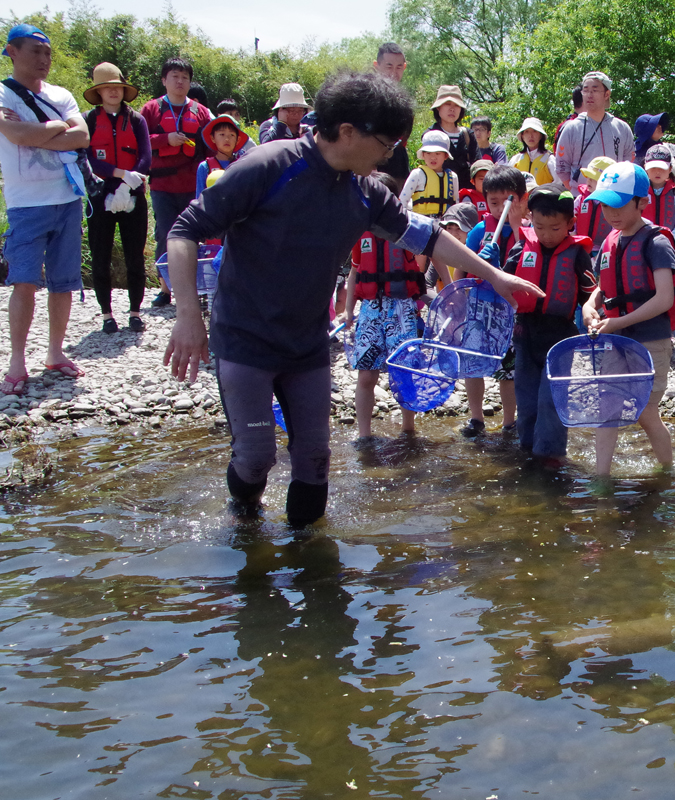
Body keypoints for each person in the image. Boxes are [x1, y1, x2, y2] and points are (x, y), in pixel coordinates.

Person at [163, 71, 543, 528]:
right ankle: (243, 522)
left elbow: (427, 235)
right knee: (257, 456)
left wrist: (494, 275)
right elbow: (184, 230)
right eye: (386, 142)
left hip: (306, 344)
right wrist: (188, 315)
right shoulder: (270, 166)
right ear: (347, 132)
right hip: (244, 337)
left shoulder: (365, 192)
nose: (391, 153)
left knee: (315, 457)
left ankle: (310, 563)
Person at [0, 24, 90, 395]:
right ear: (12, 52)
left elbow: (82, 136)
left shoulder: (61, 93)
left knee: (64, 281)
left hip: (67, 197)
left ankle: (56, 352)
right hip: (26, 203)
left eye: (47, 53)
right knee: (24, 282)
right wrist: (56, 126)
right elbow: (16, 136)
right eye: (35, 51)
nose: (43, 60)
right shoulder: (3, 94)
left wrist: (38, 130)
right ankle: (17, 362)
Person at [581, 163, 675, 476]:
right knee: (606, 409)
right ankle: (601, 478)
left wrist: (618, 323)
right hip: (615, 339)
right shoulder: (610, 242)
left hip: (649, 339)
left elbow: (664, 298)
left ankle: (667, 473)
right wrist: (589, 305)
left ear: (642, 202)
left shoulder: (657, 242)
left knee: (646, 413)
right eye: (606, 205)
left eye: (619, 205)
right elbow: (602, 287)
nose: (611, 213)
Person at [345, 172, 450, 441]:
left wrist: (448, 291)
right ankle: (364, 435)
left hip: (402, 309)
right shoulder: (359, 230)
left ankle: (408, 430)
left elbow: (437, 253)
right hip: (370, 310)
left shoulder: (406, 229)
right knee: (366, 376)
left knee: (404, 373)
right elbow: (355, 272)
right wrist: (347, 310)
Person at [502, 182, 596, 465]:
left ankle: (551, 456)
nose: (546, 235)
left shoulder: (577, 254)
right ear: (531, 219)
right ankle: (528, 451)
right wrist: (491, 267)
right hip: (525, 333)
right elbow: (501, 283)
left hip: (560, 338)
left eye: (555, 229)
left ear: (570, 223)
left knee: (551, 400)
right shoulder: (522, 247)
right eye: (540, 227)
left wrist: (593, 315)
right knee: (527, 399)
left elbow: (590, 295)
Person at [83, 61, 151, 335]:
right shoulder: (88, 120)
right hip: (101, 195)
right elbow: (86, 157)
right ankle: (106, 314)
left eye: (118, 87)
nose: (113, 92)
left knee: (135, 254)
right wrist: (118, 174)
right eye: (107, 88)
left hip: (133, 193)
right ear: (99, 92)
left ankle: (135, 312)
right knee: (101, 255)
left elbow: (146, 155)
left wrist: (131, 180)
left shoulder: (136, 119)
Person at [462, 164, 530, 436]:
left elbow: (527, 263)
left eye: (509, 201)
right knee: (473, 362)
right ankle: (476, 417)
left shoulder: (527, 233)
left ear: (521, 200)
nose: (501, 207)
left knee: (509, 369)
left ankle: (509, 421)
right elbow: (462, 267)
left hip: (510, 309)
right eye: (493, 202)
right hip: (480, 304)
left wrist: (515, 229)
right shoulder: (480, 230)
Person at [142, 56, 212, 308]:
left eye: (185, 77)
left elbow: (212, 145)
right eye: (175, 76)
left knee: (196, 236)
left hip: (193, 187)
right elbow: (140, 142)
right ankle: (165, 288)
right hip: (162, 186)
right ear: (164, 80)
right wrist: (165, 139)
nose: (180, 81)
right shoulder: (151, 109)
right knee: (165, 234)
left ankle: (196, 288)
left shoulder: (201, 111)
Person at [555, 72, 634, 192]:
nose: (589, 95)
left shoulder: (622, 128)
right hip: (581, 199)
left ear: (607, 94)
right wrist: (577, 191)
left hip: (614, 196)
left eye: (595, 90)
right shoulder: (572, 128)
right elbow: (561, 167)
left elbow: (628, 163)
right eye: (585, 90)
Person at [398, 130, 459, 218]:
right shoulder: (417, 174)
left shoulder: (452, 177)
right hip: (421, 222)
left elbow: (456, 203)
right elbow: (403, 200)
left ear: (445, 156)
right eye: (428, 153)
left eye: (438, 153)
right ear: (423, 155)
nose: (433, 157)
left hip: (444, 224)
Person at [372, 43, 410, 182]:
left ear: (404, 67)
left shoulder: (404, 100)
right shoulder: (367, 97)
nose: (394, 72)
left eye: (399, 67)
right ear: (377, 65)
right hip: (372, 162)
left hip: (398, 164)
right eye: (389, 66)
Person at [427, 85, 477, 189]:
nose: (452, 109)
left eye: (456, 105)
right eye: (447, 104)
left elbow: (477, 165)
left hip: (466, 196)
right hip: (438, 193)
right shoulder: (430, 135)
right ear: (438, 107)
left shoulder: (468, 135)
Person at [195, 115, 249, 198]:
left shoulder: (244, 164)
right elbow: (199, 198)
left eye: (232, 135)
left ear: (237, 140)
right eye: (222, 134)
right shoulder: (205, 167)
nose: (227, 139)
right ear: (213, 138)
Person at [573, 156, 615, 262]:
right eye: (588, 177)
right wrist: (573, 238)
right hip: (581, 247)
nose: (588, 181)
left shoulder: (613, 203)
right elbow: (571, 219)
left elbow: (615, 228)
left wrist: (608, 247)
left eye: (593, 178)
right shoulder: (580, 199)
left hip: (602, 249)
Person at [642, 144, 675, 244]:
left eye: (662, 168)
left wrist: (671, 242)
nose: (657, 172)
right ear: (645, 168)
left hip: (668, 243)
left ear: (670, 169)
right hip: (642, 242)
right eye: (653, 168)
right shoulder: (639, 192)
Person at [512, 117, 556, 185]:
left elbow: (558, 182)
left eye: (534, 131)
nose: (530, 136)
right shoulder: (516, 159)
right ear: (522, 136)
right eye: (527, 131)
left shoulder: (549, 159)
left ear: (540, 135)